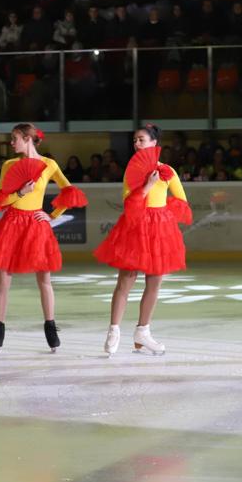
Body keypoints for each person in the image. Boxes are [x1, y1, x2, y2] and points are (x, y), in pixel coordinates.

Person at [0, 123, 88, 353]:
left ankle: (50, 327)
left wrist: (52, 215)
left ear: (28, 138)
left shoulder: (49, 165)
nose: (11, 142)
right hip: (11, 223)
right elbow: (0, 201)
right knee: (3, 280)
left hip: (36, 225)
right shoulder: (9, 165)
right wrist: (20, 193)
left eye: (14, 138)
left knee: (44, 280)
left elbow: (70, 192)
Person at [94, 124, 192, 356]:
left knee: (154, 282)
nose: (136, 144)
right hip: (135, 226)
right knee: (126, 280)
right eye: (135, 140)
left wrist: (162, 213)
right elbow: (129, 203)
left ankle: (143, 332)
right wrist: (148, 186)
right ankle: (114, 330)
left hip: (159, 228)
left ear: (153, 143)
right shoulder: (132, 169)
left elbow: (182, 201)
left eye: (141, 140)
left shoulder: (168, 171)